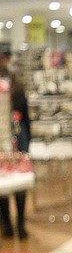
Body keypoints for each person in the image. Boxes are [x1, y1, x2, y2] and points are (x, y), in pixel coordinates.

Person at [0, 67, 31, 239]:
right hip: (12, 142)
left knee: (19, 185)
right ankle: (10, 224)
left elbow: (25, 120)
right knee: (5, 187)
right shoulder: (17, 93)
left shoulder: (18, 95)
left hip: (17, 141)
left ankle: (17, 223)